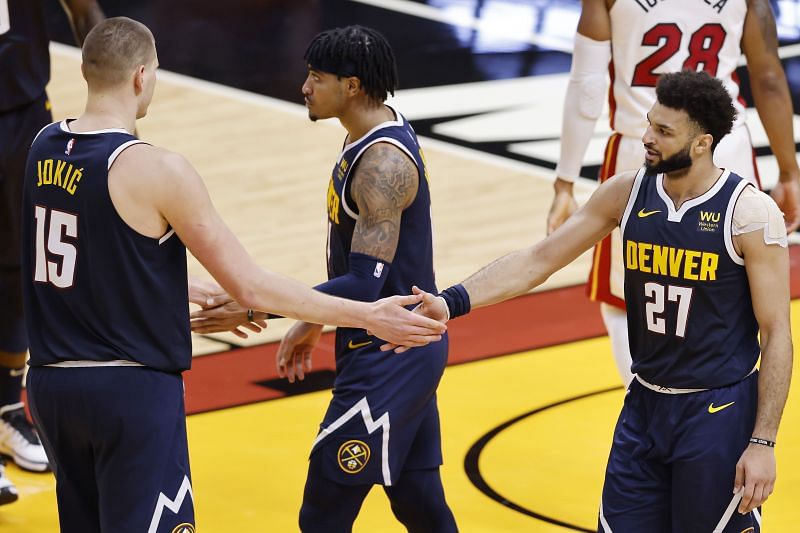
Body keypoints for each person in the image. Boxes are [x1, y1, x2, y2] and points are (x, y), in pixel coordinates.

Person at [20, 17, 445, 533]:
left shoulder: (41, 144)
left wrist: (274, 310)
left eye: (316, 76)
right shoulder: (156, 169)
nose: (303, 86)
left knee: (404, 496)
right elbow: (248, 283)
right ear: (141, 77)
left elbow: (77, 255)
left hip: (50, 387)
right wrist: (304, 312)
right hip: (130, 392)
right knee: (372, 504)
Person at [403, 71, 791, 531]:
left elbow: (778, 333)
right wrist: (451, 302)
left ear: (703, 142)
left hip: (717, 415)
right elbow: (539, 259)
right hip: (644, 404)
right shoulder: (625, 192)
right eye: (649, 123)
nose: (646, 137)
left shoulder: (748, 213)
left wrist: (763, 442)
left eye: (663, 132)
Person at [192, 25, 459, 533]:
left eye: (316, 77)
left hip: (391, 353)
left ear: (352, 86)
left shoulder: (382, 164)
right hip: (393, 340)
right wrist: (315, 322)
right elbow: (363, 270)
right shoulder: (367, 131)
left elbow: (362, 284)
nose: (305, 87)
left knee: (322, 512)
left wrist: (257, 306)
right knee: (419, 501)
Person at [547, 0, 800, 386]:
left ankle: (644, 398)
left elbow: (587, 84)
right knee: (737, 288)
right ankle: (725, 405)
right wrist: (788, 170)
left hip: (644, 149)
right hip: (723, 150)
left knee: (625, 296)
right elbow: (767, 80)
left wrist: (565, 182)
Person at [0, 0, 104, 505]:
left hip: (20, 117)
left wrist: (115, 101)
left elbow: (86, 12)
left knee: (21, 268)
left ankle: (5, 408)